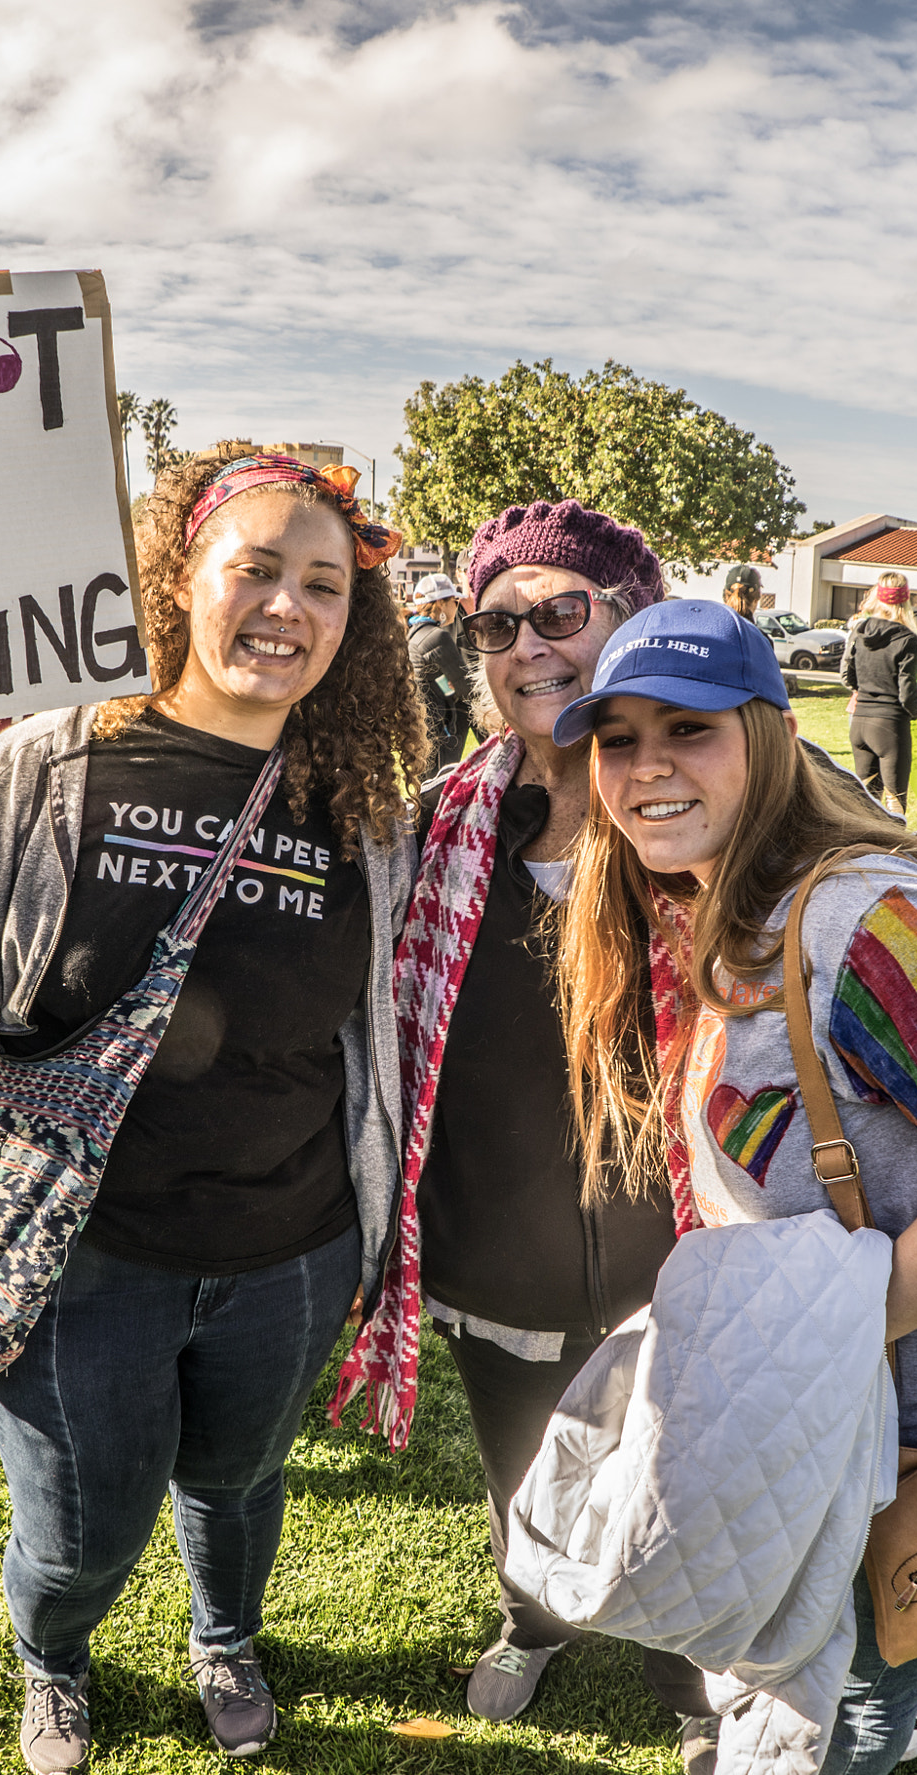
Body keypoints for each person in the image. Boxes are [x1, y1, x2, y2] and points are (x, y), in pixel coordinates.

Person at [0, 448, 424, 1771]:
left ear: (357, 620)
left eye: (326, 585)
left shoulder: (364, 808)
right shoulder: (48, 765)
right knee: (79, 1533)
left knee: (235, 1481)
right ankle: (53, 1655)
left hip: (288, 1250)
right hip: (73, 1259)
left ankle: (225, 1631)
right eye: (257, 568)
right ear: (179, 576)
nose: (290, 605)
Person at [552, 597, 917, 1775]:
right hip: (818, 1416)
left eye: (686, 729)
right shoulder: (716, 908)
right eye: (616, 737)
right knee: (807, 1685)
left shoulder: (866, 920)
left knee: (852, 1708)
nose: (645, 766)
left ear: (766, 736)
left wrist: (802, 1345)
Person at [337, 502, 700, 1731]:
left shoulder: (705, 807)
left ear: (629, 619)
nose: (528, 646)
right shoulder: (442, 820)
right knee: (524, 1464)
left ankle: (690, 1678)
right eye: (498, 623)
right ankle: (532, 1617)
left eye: (562, 612)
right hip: (494, 1234)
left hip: (679, 1240)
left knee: (678, 1474)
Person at [839, 574, 917, 815]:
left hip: (860, 721)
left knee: (864, 802)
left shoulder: (859, 630)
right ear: (905, 601)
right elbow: (907, 694)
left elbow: (847, 677)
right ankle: (892, 851)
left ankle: (862, 850)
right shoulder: (907, 638)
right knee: (895, 803)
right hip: (890, 726)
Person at [406, 571, 475, 774]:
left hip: (421, 727)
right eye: (454, 600)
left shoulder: (414, 633)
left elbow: (438, 679)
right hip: (439, 730)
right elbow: (466, 688)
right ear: (441, 604)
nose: (456, 605)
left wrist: (450, 687)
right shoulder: (438, 637)